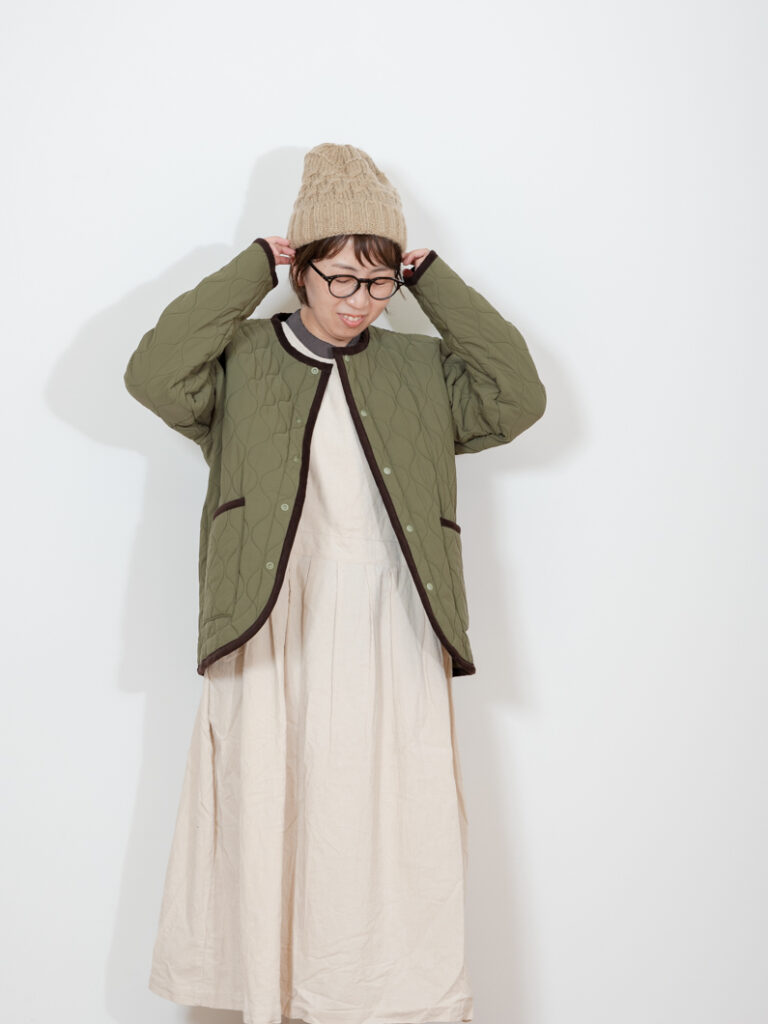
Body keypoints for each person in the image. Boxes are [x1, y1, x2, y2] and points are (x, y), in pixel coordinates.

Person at [124, 143, 546, 1024]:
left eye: (379, 282)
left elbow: (516, 397)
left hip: (395, 624)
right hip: (271, 623)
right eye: (342, 278)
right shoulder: (243, 357)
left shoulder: (418, 368)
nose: (360, 301)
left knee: (392, 821)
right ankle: (270, 994)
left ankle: (385, 999)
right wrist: (251, 268)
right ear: (303, 267)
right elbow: (154, 376)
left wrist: (434, 283)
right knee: (268, 813)